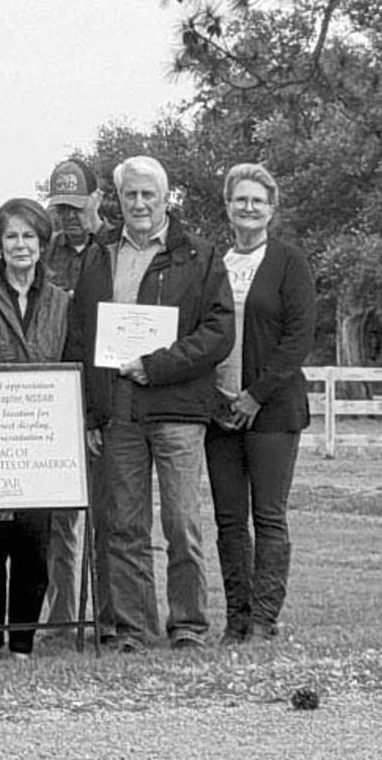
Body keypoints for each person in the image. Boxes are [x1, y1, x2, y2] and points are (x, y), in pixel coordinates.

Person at [64, 155, 234, 651]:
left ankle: (188, 625)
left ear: (165, 199)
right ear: (117, 200)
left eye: (148, 195)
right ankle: (133, 629)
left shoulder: (199, 256)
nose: (139, 203)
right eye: (129, 195)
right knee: (123, 525)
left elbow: (218, 334)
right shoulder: (99, 255)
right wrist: (91, 412)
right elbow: (81, 336)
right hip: (118, 410)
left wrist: (156, 365)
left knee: (181, 522)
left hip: (178, 409)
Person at [205, 163, 316, 643]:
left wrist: (255, 395)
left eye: (258, 201)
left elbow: (298, 338)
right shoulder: (214, 263)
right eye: (240, 200)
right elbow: (199, 332)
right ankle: (238, 618)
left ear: (271, 208)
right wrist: (216, 396)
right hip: (219, 410)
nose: (248, 208)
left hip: (273, 409)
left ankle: (265, 619)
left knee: (268, 515)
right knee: (229, 519)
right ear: (228, 206)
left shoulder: (290, 262)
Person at [0, 198, 69, 657]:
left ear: (43, 244)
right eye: (12, 236)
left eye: (29, 236)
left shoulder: (62, 301)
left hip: (40, 441)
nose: (21, 245)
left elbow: (72, 363)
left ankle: (21, 646)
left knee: (33, 547)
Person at [41, 158, 110, 636]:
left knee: (110, 518)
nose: (68, 216)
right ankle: (64, 619)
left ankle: (110, 616)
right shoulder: (47, 254)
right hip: (55, 400)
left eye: (76, 206)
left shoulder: (116, 251)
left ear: (98, 200)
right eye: (60, 208)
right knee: (58, 520)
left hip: (106, 399)